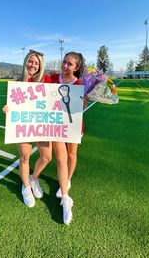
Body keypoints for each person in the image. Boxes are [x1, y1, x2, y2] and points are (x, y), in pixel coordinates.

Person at [3, 50, 52, 208]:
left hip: (41, 125)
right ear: (25, 62)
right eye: (30, 61)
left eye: (36, 63)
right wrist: (7, 109)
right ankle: (26, 186)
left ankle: (34, 178)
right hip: (23, 126)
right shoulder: (17, 82)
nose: (33, 65)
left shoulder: (46, 80)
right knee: (24, 157)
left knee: (46, 157)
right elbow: (12, 106)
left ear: (40, 66)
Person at [50, 51, 85, 224]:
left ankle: (68, 179)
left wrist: (84, 101)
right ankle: (65, 196)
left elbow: (79, 107)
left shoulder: (80, 84)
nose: (65, 65)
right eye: (64, 62)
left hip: (74, 125)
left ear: (76, 67)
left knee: (71, 155)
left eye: (69, 64)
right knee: (61, 157)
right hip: (56, 124)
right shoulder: (52, 78)